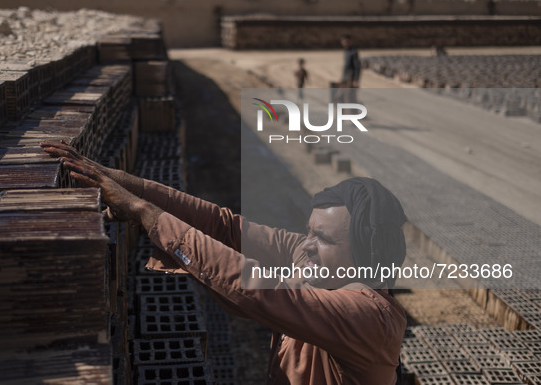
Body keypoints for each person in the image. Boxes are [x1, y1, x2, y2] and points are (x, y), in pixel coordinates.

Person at [41, 140, 408, 385]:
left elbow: (263, 293)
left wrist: (145, 214)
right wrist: (130, 185)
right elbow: (226, 226)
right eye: (308, 232)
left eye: (324, 238)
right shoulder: (318, 261)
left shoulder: (370, 316)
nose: (307, 245)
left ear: (364, 254)